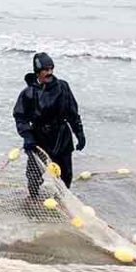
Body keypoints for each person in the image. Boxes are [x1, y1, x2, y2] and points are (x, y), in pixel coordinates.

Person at [13, 52, 85, 193]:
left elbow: (72, 113)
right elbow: (20, 117)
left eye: (51, 69)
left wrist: (80, 133)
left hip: (61, 136)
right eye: (46, 70)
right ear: (37, 72)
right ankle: (33, 198)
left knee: (65, 174)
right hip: (39, 137)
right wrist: (28, 137)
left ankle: (63, 198)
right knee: (34, 175)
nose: (49, 73)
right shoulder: (28, 93)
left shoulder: (63, 87)